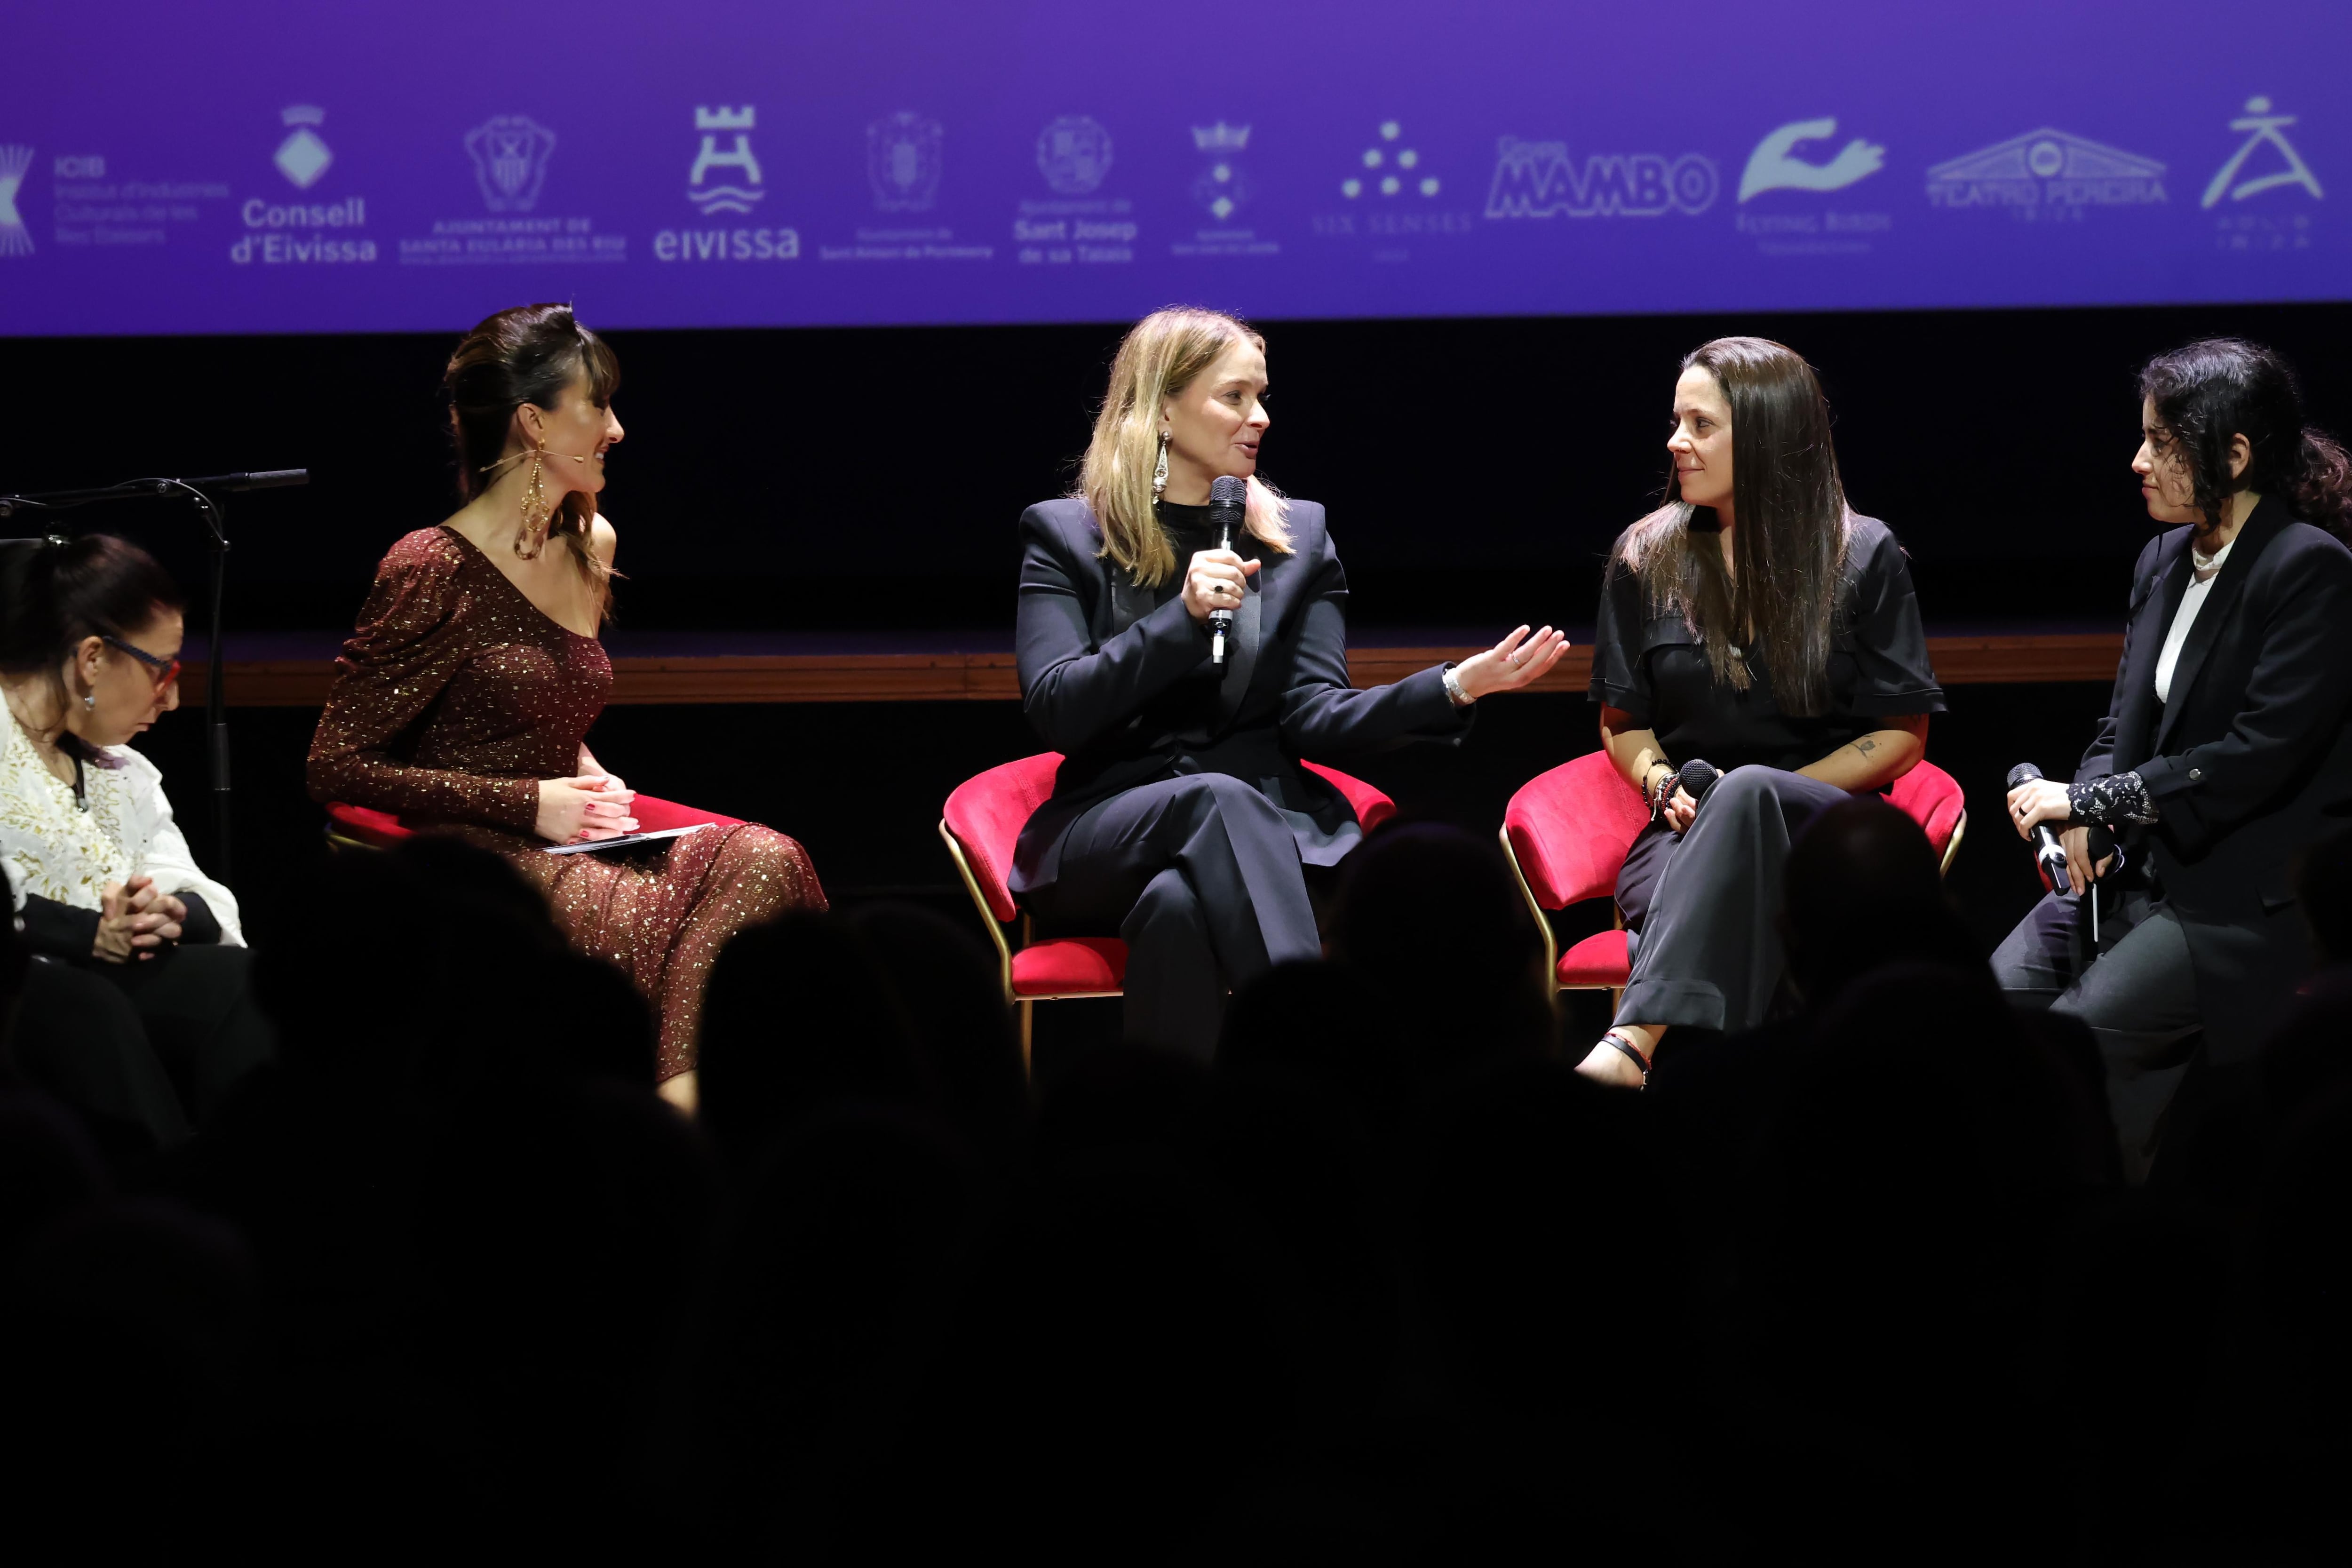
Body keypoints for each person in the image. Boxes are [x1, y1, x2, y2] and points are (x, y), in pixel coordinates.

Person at [1010, 306, 1567, 1059]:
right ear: (1163, 407)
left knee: (1176, 910)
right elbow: (1058, 711)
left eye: (1262, 396)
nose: (1260, 417)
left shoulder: (1297, 539)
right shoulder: (1066, 536)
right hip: (1107, 831)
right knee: (1210, 799)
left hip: (1263, 833)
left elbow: (1316, 715)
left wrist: (1454, 687)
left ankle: (1186, 1148)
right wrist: (1177, 621)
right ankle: (1335, 1067)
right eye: (1234, 397)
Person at [306, 303, 825, 1112]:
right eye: (598, 405)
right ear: (533, 425)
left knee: (769, 857)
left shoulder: (592, 544)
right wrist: (528, 802)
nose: (617, 429)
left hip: (574, 836)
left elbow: (538, 702)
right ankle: (676, 1134)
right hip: (483, 857)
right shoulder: (430, 566)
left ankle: (683, 1119)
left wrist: (583, 766)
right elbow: (337, 764)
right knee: (685, 918)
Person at [1994, 338, 2352, 1182]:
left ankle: (2100, 1241)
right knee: (1996, 1008)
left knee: (2084, 1042)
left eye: (2162, 443)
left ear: (2233, 454)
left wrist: (2097, 801)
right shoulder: (2161, 558)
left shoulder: (2310, 570)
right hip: (2142, 873)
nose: (2138, 461)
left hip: (2237, 900)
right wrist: (2087, 801)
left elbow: (2255, 754)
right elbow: (2122, 721)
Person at [1579, 336, 1945, 1088]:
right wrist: (1658, 784)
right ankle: (1743, 1117)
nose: (1676, 442)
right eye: (1677, 421)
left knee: (1746, 795)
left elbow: (1902, 735)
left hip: (1827, 824)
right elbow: (1624, 722)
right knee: (1734, 909)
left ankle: (1631, 1047)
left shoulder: (1866, 556)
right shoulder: (1643, 558)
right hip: (1684, 831)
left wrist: (1760, 795)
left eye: (1701, 425)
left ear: (1771, 434)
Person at [0, 533, 271, 1147]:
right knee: (84, 1004)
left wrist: (171, 911)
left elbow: (192, 883)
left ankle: (262, 1186)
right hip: (22, 980)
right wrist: (83, 933)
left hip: (105, 978)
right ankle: (165, 1200)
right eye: (162, 670)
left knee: (242, 979)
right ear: (93, 658)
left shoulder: (120, 769)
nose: (172, 697)